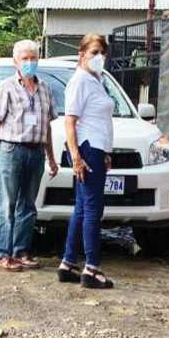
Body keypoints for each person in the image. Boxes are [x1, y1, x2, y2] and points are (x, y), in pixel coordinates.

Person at [0, 40, 59, 272]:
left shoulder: (45, 88)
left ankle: (21, 250)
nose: (29, 63)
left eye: (33, 58)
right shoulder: (6, 87)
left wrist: (51, 157)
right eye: (24, 59)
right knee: (7, 203)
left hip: (35, 151)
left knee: (28, 205)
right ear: (15, 62)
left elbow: (47, 127)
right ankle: (2, 253)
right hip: (11, 150)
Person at [59, 34, 116, 290]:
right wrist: (77, 158)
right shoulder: (80, 81)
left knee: (83, 208)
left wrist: (106, 152)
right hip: (87, 149)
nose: (98, 57)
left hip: (96, 148)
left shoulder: (97, 79)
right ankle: (91, 268)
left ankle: (68, 263)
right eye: (93, 52)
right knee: (93, 209)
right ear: (81, 54)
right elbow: (70, 121)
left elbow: (99, 119)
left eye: (102, 53)